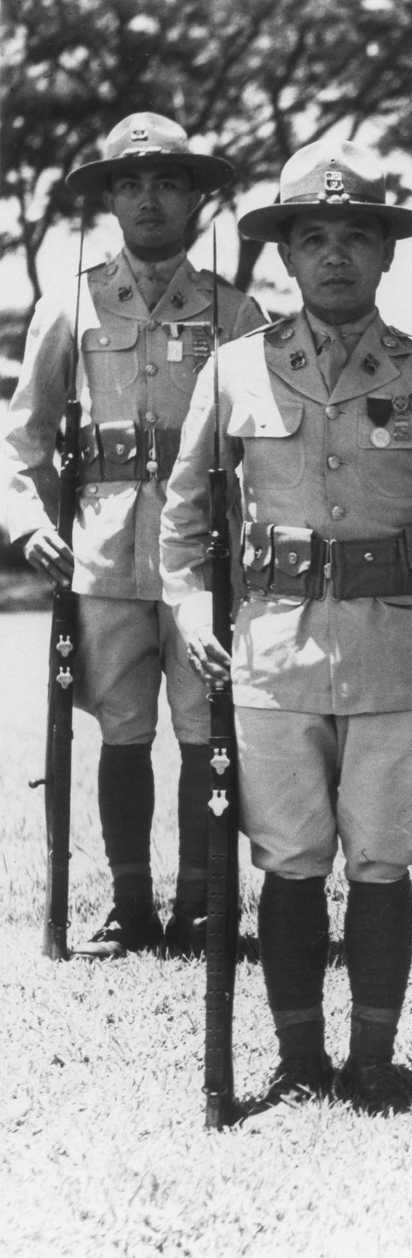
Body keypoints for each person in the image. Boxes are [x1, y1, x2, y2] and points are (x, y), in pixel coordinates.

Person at [160, 139, 412, 1113]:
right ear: (287, 256)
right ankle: (297, 1054)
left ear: (386, 254)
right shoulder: (234, 372)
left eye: (357, 237)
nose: (337, 256)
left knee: (384, 857)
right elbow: (185, 521)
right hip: (271, 656)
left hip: (398, 657)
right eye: (316, 238)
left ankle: (375, 1058)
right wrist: (191, 611)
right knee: (291, 858)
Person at [1, 111, 265, 959]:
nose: (149, 199)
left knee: (202, 731)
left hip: (202, 564)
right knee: (121, 732)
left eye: (167, 182)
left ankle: (199, 904)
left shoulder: (235, 310)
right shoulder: (69, 304)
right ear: (110, 197)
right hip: (102, 554)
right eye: (131, 182)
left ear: (194, 196)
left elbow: (266, 443)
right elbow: (22, 438)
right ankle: (127, 904)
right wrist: (29, 522)